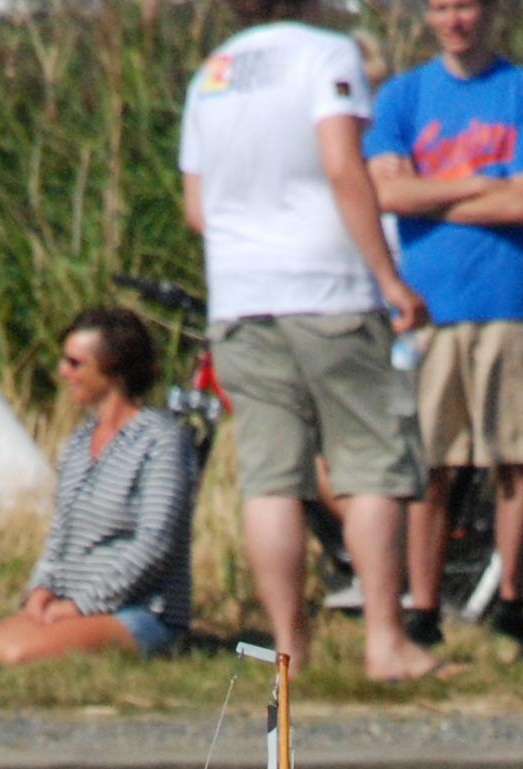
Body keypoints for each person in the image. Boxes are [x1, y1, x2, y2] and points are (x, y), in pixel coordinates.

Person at [180, 0, 439, 681]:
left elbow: (197, 208)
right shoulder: (328, 53)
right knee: (372, 463)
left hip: (240, 295)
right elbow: (342, 165)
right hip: (328, 290)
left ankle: (287, 649)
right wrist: (389, 278)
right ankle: (385, 642)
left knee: (272, 478)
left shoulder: (211, 73)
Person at [368, 0, 523, 654]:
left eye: (467, 6)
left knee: (515, 458)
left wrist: (436, 187)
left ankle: (512, 603)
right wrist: (483, 185)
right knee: (431, 464)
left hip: (508, 298)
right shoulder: (402, 97)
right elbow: (388, 194)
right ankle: (422, 608)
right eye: (443, 7)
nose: (456, 21)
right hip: (430, 305)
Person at [0, 306, 200, 667]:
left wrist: (81, 605)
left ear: (113, 368)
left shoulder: (161, 440)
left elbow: (155, 543)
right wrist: (41, 590)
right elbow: (61, 534)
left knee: (17, 656)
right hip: (70, 604)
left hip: (141, 611)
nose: (63, 372)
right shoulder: (78, 444)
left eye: (75, 363)